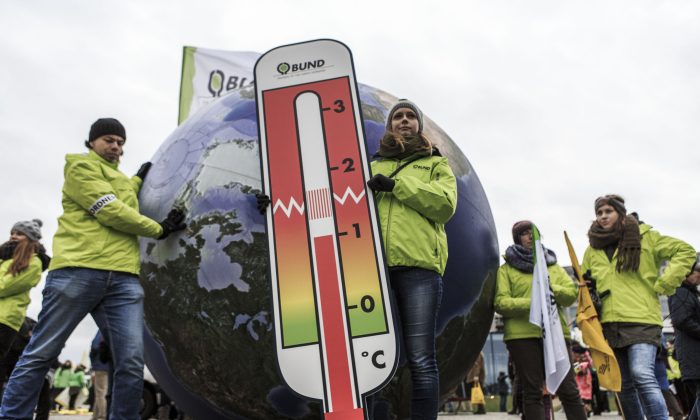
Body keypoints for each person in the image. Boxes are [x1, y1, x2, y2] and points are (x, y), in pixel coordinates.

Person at [0, 118, 187, 420]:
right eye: (109, 140)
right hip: (77, 272)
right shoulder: (79, 168)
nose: (115, 146)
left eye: (120, 142)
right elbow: (111, 209)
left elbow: (125, 190)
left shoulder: (121, 180)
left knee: (130, 362)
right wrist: (159, 229)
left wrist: (139, 179)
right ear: (91, 142)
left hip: (123, 281)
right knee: (41, 353)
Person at [365, 99, 457, 419]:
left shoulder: (435, 164)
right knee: (368, 356)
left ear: (419, 125)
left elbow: (445, 205)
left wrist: (396, 185)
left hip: (419, 269)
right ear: (390, 126)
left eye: (410, 116)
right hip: (372, 271)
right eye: (398, 116)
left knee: (420, 358)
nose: (404, 120)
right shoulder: (372, 166)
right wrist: (274, 204)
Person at [581, 195, 696, 420]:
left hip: (643, 319)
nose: (603, 216)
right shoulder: (591, 249)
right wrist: (586, 287)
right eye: (599, 213)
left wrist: (665, 283)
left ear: (621, 213)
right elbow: (584, 281)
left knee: (641, 373)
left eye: (608, 211)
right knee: (623, 384)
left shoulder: (647, 237)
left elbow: (686, 251)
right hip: (609, 322)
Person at [495, 220, 588, 420]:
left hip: (556, 334)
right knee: (533, 391)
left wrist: (549, 291)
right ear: (517, 238)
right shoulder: (506, 270)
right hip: (522, 336)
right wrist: (534, 302)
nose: (530, 236)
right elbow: (501, 303)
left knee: (569, 390)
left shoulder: (552, 266)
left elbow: (571, 293)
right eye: (524, 233)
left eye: (533, 233)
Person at [0, 219, 49, 377]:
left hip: (5, 319)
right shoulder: (5, 258)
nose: (14, 236)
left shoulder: (34, 263)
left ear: (30, 239)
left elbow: (4, 286)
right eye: (12, 233)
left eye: (19, 234)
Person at [669, 259, 700, 420]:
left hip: (692, 353)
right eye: (698, 274)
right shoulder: (682, 293)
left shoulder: (687, 293)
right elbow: (682, 320)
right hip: (693, 353)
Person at [89, 330, 111, 420]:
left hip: (100, 366)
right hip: (110, 366)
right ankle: (95, 416)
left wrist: (93, 363)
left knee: (100, 393)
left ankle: (103, 416)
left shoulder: (101, 331)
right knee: (101, 392)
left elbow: (95, 346)